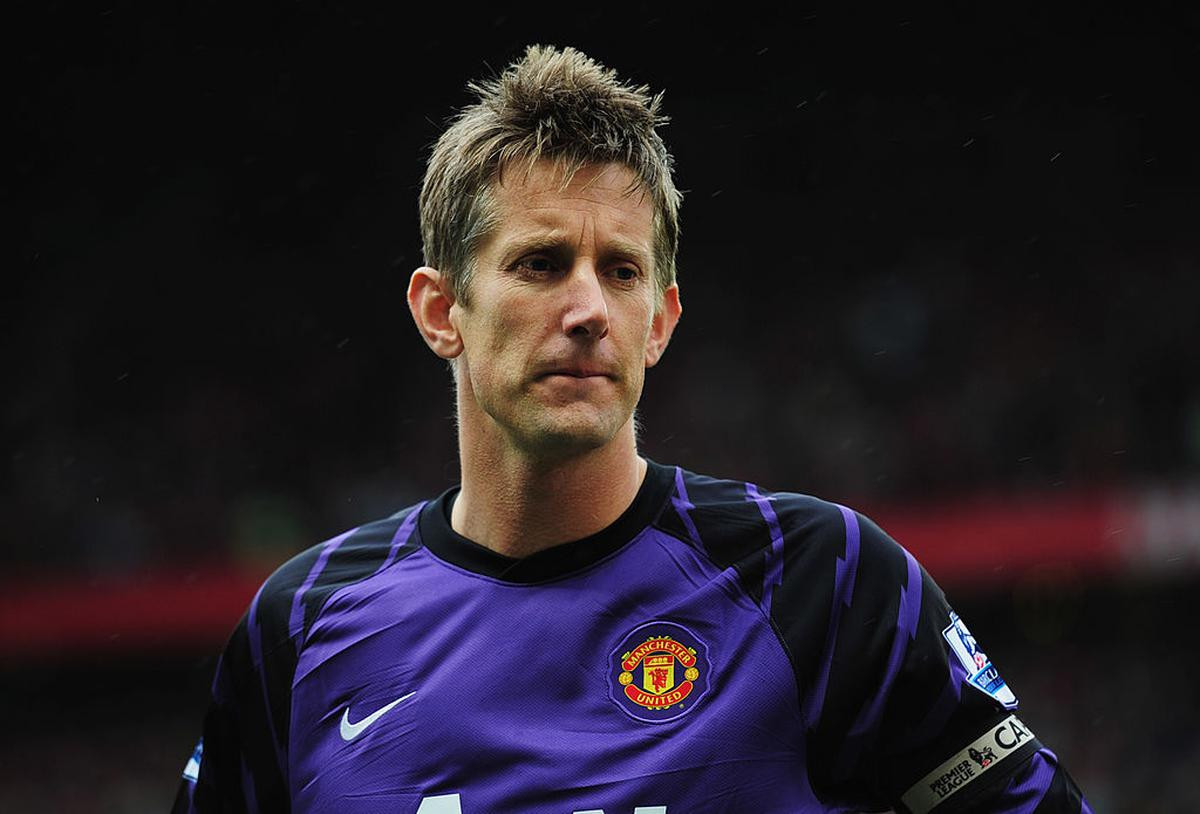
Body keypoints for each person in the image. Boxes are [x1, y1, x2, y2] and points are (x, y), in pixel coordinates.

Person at [173, 45, 1091, 813]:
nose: (587, 311)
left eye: (620, 272)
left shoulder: (823, 578)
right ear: (440, 310)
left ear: (659, 321)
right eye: (540, 264)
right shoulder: (302, 625)